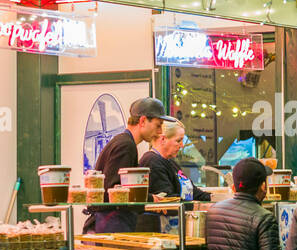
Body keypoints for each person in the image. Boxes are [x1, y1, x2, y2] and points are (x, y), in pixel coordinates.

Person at [87, 97, 172, 234]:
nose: (160, 131)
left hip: (111, 222)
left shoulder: (123, 142)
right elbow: (113, 190)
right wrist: (150, 199)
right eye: (158, 125)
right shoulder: (126, 145)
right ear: (143, 121)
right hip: (110, 224)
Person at [137, 120, 210, 233]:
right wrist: (197, 207)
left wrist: (216, 198)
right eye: (178, 140)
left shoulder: (170, 162)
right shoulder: (152, 162)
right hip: (161, 230)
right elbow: (168, 199)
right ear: (163, 139)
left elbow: (194, 192)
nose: (182, 145)